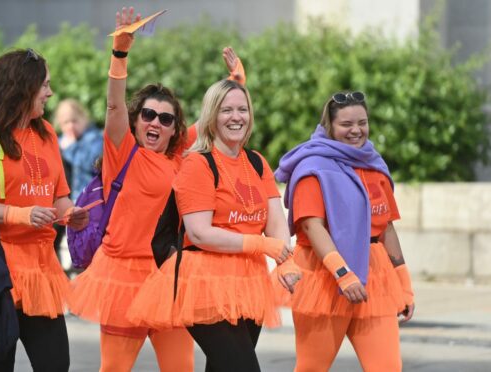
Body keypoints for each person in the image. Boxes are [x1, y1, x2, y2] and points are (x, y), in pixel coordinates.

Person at [68, 7, 247, 371]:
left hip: (170, 277)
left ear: (172, 128)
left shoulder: (182, 155)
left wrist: (237, 85)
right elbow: (114, 103)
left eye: (165, 119)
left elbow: (216, 120)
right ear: (136, 120)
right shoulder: (123, 152)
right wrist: (120, 54)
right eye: (148, 115)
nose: (156, 123)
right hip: (123, 278)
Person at [127, 79, 301, 372]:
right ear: (211, 116)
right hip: (203, 282)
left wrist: (285, 260)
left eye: (242, 109)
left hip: (249, 283)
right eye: (227, 110)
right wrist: (262, 245)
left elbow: (276, 222)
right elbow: (199, 232)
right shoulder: (197, 164)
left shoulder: (257, 162)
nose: (236, 117)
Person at [0, 48, 88, 371]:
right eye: (44, 86)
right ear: (21, 88)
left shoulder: (47, 133)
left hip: (41, 270)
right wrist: (18, 214)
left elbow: (58, 198)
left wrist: (71, 213)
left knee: (55, 365)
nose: (50, 93)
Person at [274, 91, 415, 371]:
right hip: (324, 274)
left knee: (387, 367)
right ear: (329, 126)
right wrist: (343, 273)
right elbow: (311, 226)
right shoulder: (312, 166)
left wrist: (404, 284)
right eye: (346, 124)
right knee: (311, 367)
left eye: (362, 122)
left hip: (375, 272)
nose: (356, 131)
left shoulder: (373, 164)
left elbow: (386, 226)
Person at [52, 99, 103, 259]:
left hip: (90, 202)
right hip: (65, 201)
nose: (71, 127)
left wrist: (70, 148)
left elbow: (91, 162)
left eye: (74, 121)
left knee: (90, 245)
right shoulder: (60, 142)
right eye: (66, 123)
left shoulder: (94, 139)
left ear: (83, 118)